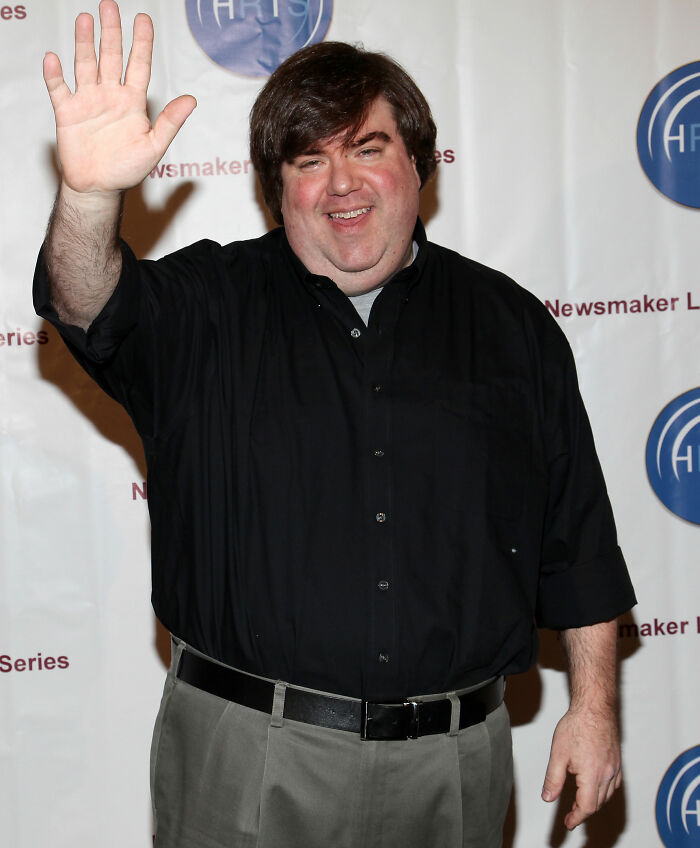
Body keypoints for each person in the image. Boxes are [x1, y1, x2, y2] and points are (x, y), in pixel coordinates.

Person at [35, 2, 636, 846]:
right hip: (249, 762)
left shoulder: (511, 326)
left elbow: (577, 543)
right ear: (276, 189)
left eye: (368, 147)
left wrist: (594, 709)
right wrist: (90, 197)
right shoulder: (206, 308)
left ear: (419, 163)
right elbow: (84, 299)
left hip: (455, 770)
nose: (341, 183)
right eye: (309, 160)